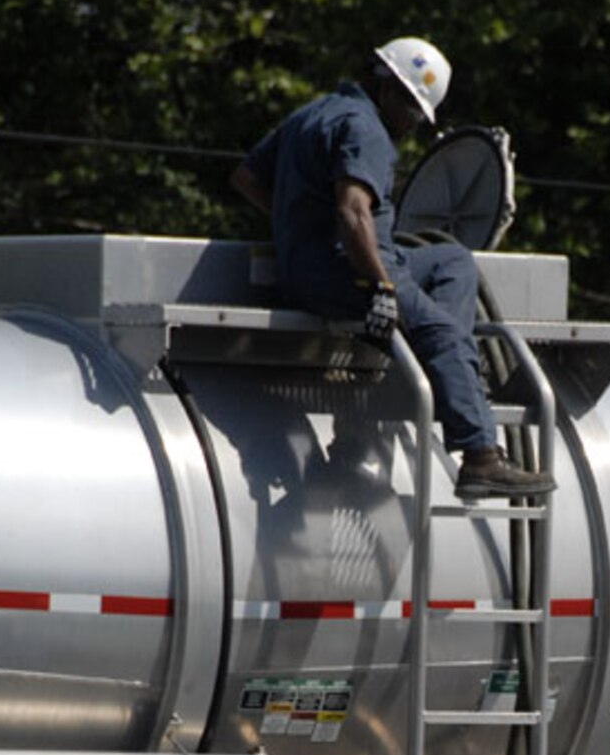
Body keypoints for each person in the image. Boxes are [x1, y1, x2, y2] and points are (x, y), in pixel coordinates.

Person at [231, 36, 554, 503]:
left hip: (324, 263)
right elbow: (353, 212)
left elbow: (245, 178)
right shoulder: (366, 129)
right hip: (349, 270)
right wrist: (380, 284)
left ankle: (442, 369)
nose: (413, 124)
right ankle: (481, 456)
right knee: (442, 330)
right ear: (388, 90)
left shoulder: (315, 112)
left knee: (452, 260)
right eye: (413, 112)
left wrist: (298, 225)